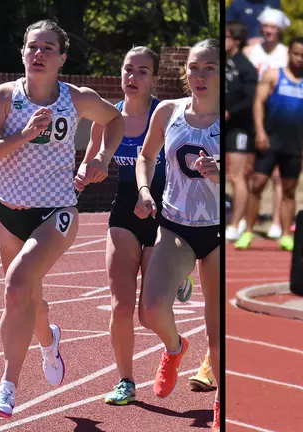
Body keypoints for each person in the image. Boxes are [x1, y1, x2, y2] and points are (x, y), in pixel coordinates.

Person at [0, 20, 125, 418]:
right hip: (8, 214)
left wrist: (99, 160)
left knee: (17, 285)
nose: (39, 54)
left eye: (48, 48)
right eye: (32, 47)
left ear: (62, 58)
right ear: (22, 53)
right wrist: (22, 135)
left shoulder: (75, 99)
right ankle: (49, 339)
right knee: (27, 296)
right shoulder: (4, 97)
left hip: (56, 212)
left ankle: (7, 385)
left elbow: (115, 121)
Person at [79, 46, 195, 406]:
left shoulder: (166, 115)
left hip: (164, 215)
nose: (133, 77)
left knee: (150, 310)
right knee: (120, 306)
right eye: (128, 70)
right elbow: (90, 161)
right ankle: (126, 381)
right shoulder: (108, 117)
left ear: (154, 78)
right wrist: (85, 175)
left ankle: (175, 335)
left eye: (142, 72)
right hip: (124, 214)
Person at [133, 39, 221, 431]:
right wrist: (144, 189)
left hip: (219, 230)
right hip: (175, 224)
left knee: (217, 325)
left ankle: (223, 400)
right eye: (193, 68)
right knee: (150, 310)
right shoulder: (167, 112)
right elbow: (145, 156)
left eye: (209, 69)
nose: (199, 76)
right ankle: (174, 347)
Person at [235, 36, 303, 251]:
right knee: (257, 184)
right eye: (295, 53)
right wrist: (259, 131)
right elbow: (258, 102)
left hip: (293, 144)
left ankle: (286, 235)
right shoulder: (274, 75)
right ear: (289, 53)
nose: (298, 58)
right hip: (269, 140)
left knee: (289, 189)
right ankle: (248, 230)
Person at [243, 7, 292, 239]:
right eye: (266, 27)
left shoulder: (285, 53)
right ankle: (247, 219)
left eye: (273, 27)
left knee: (277, 174)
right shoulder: (251, 52)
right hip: (253, 114)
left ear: (280, 30)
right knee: (251, 171)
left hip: (278, 116)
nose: (269, 31)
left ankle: (276, 221)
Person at [225, 21, 259, 242]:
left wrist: (229, 112)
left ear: (236, 40)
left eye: (225, 36)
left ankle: (236, 224)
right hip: (217, 126)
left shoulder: (245, 67)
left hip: (239, 128)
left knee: (237, 176)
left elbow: (249, 100)